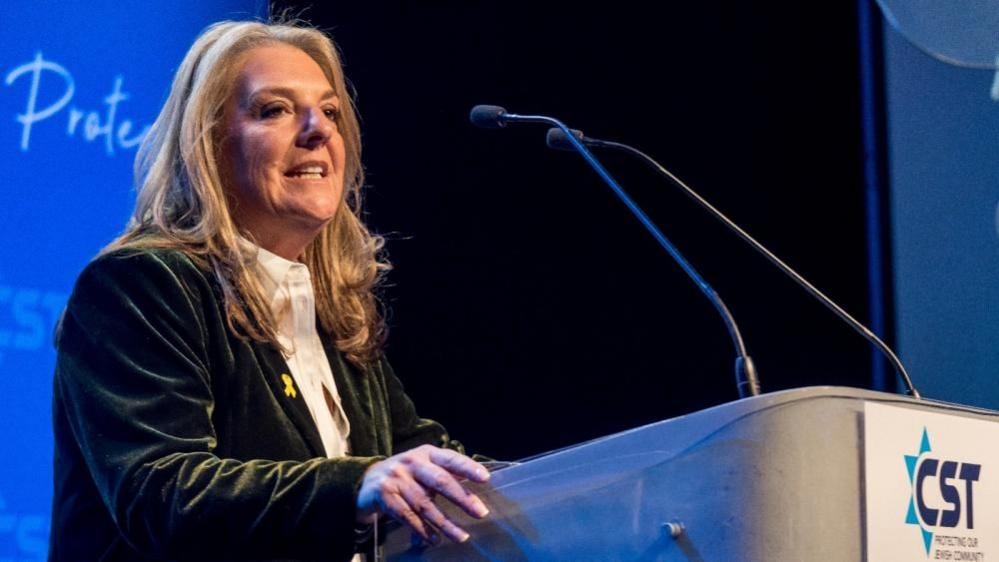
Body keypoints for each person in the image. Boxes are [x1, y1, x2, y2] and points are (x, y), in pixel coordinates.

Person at [49, 19, 489, 561]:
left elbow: (425, 457)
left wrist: (573, 486)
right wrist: (356, 485)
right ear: (206, 146)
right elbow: (162, 492)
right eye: (275, 110)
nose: (318, 130)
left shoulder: (330, 311)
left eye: (330, 112)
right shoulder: (142, 285)